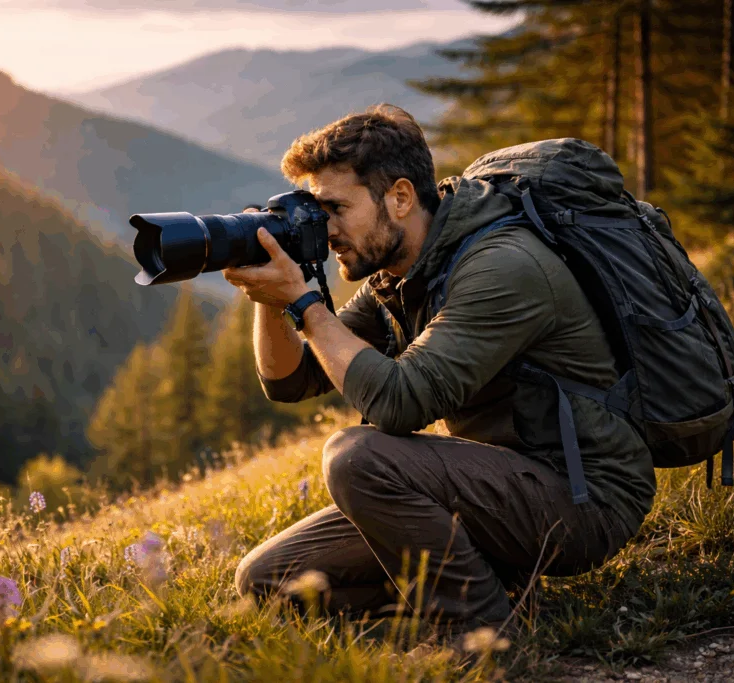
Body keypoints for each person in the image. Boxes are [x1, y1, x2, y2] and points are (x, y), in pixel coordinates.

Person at [221, 103, 656, 633]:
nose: (324, 229)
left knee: (357, 457)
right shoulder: (402, 272)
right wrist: (268, 295)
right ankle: (492, 592)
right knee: (267, 580)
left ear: (400, 197)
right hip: (493, 488)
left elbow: (399, 403)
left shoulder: (501, 266)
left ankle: (482, 635)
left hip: (585, 498)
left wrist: (304, 305)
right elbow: (289, 382)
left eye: (335, 208)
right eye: (314, 211)